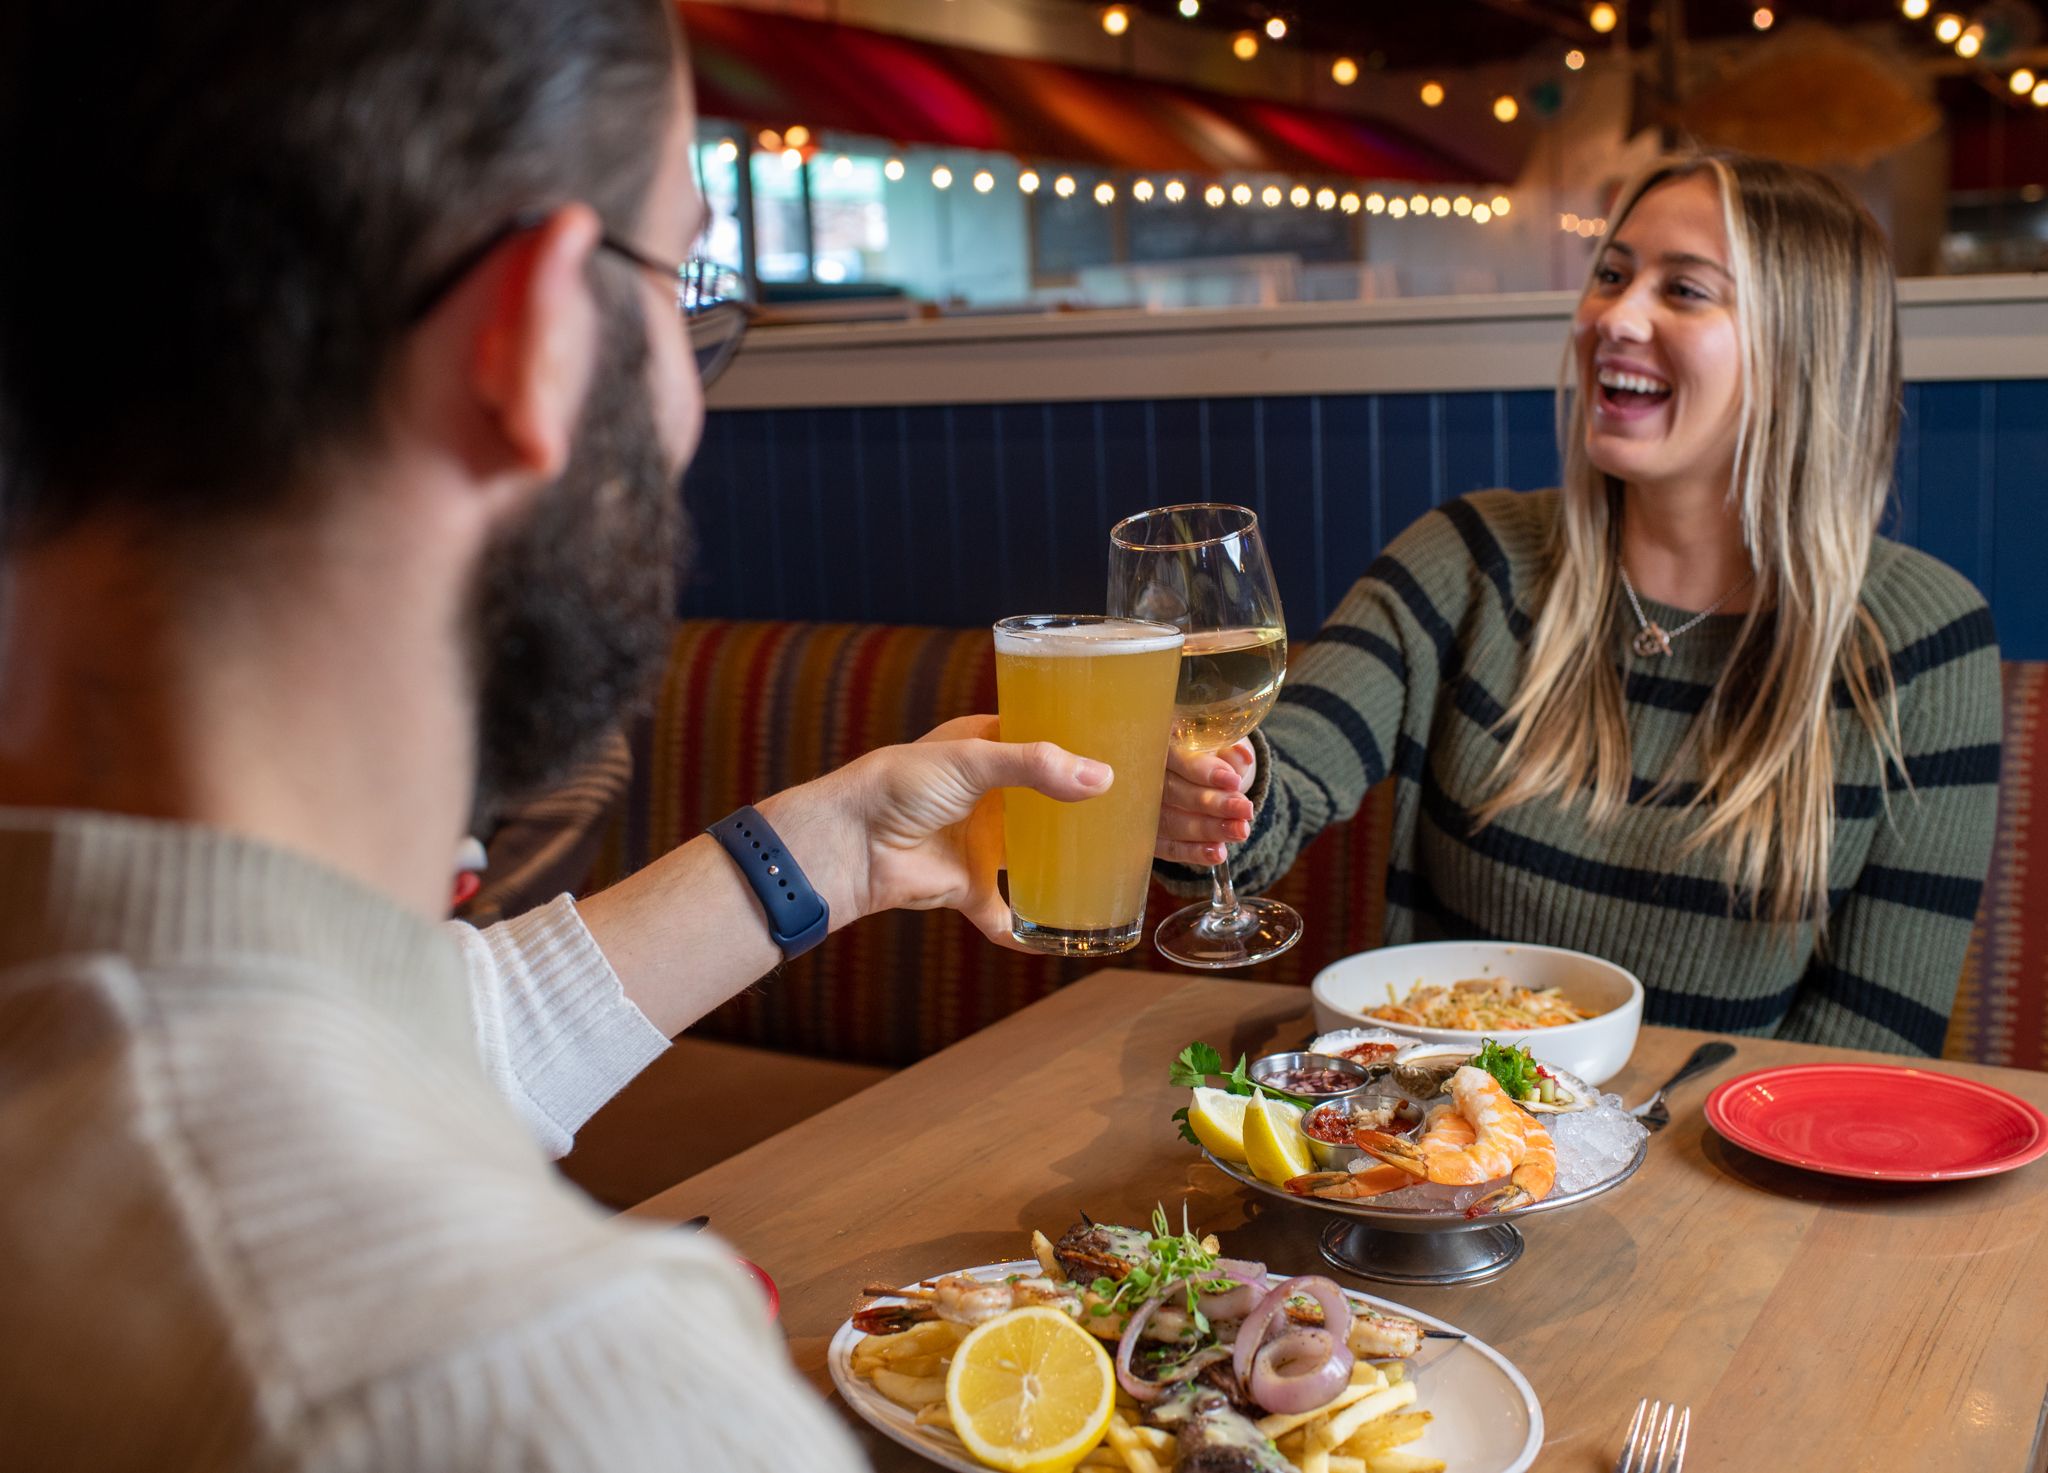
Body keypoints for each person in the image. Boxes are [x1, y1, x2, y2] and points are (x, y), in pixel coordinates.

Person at [0, 2, 1108, 1467]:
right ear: (524, 341)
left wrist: (833, 849)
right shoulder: (543, 1393)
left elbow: (394, 1039)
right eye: (680, 282)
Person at [1157, 152, 2000, 1056]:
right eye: (1611, 274)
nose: (1614, 316)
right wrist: (1206, 797)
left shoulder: (1922, 637)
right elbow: (1281, 782)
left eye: (1684, 290)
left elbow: (1873, 1043)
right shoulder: (1472, 559)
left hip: (1727, 1170)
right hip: (1443, 1152)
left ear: (1806, 349)